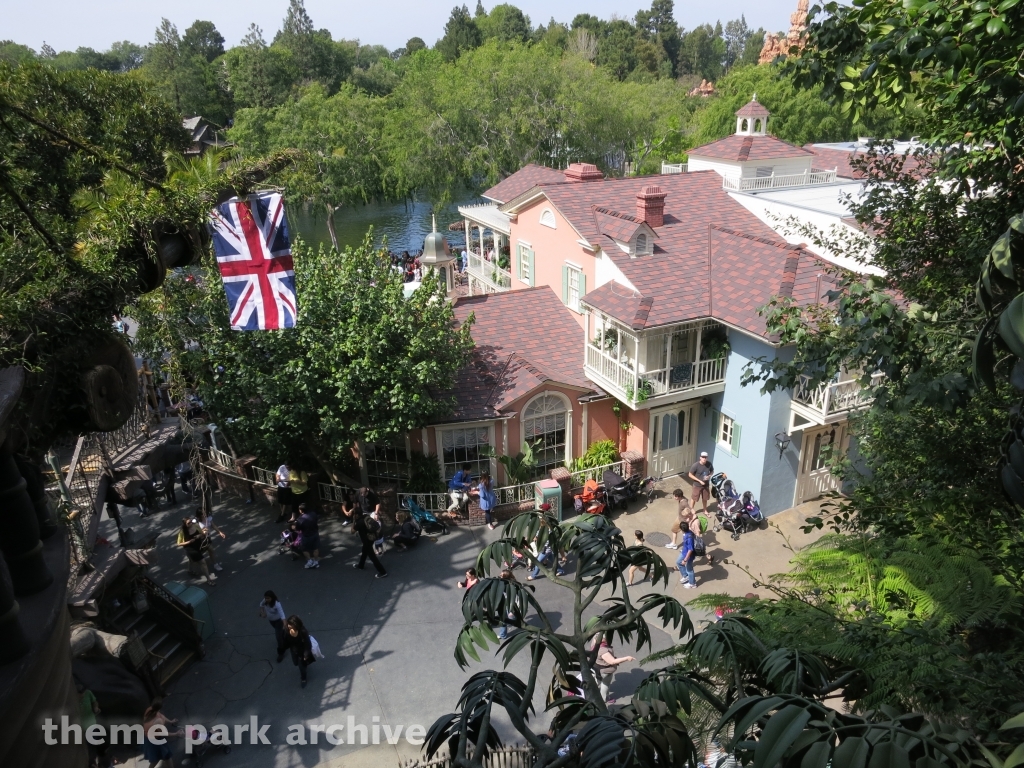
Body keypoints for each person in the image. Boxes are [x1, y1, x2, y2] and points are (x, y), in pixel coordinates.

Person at [592, 634, 635, 702]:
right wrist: (627, 658)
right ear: (602, 639)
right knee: (605, 685)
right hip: (605, 671)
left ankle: (586, 692)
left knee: (596, 682)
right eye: (607, 638)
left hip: (597, 668)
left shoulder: (595, 642)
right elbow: (612, 661)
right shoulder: (603, 651)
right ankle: (604, 698)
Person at [142, 699, 182, 768]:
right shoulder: (157, 721)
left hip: (149, 738)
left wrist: (171, 721)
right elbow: (164, 733)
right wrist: (176, 733)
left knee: (165, 756)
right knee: (162, 757)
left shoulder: (150, 710)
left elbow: (161, 716)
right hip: (155, 742)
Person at [77, 679, 108, 767]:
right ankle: (92, 763)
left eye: (83, 692)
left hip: (92, 725)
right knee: (90, 748)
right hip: (82, 729)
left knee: (96, 744)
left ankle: (100, 762)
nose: (82, 694)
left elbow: (94, 701)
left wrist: (95, 707)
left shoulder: (88, 693)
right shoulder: (73, 699)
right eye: (80, 693)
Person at [176, 517, 215, 584]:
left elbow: (201, 533)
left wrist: (199, 535)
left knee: (193, 559)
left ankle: (189, 570)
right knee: (203, 562)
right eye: (188, 523)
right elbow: (179, 543)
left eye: (191, 521)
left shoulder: (195, 525)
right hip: (190, 548)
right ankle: (209, 580)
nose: (191, 523)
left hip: (198, 544)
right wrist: (189, 542)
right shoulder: (182, 531)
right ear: (185, 524)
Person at [352, 508, 388, 578]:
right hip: (370, 539)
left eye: (353, 515)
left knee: (372, 557)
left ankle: (383, 572)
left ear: (356, 515)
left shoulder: (359, 522)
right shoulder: (366, 516)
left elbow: (352, 531)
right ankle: (361, 565)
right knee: (364, 551)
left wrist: (353, 521)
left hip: (366, 541)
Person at [283, 615, 315, 688]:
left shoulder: (302, 631)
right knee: (295, 663)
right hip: (294, 651)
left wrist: (306, 655)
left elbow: (308, 644)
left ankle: (303, 678)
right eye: (288, 624)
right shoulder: (287, 631)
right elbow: (286, 643)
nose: (288, 626)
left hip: (302, 652)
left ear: (295, 624)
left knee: (301, 666)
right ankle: (304, 665)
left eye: (290, 625)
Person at [259, 591, 287, 662]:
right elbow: (261, 605)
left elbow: (282, 614)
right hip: (271, 621)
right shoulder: (265, 601)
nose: (266, 600)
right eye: (265, 598)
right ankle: (284, 634)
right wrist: (262, 613)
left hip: (278, 622)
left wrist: (284, 624)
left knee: (278, 637)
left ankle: (281, 653)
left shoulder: (277, 604)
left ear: (272, 598)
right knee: (280, 633)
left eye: (268, 598)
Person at [194, 507, 225, 573]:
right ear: (199, 515)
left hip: (207, 538)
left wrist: (220, 532)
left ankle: (215, 564)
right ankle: (193, 563)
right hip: (200, 540)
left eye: (205, 513)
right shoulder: (196, 522)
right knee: (200, 553)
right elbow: (195, 532)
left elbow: (213, 525)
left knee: (211, 550)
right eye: (202, 514)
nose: (204, 515)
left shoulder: (208, 518)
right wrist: (203, 532)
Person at [296, 504, 320, 569]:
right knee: (315, 549)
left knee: (304, 549)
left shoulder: (300, 519)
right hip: (315, 534)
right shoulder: (313, 514)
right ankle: (316, 561)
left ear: (301, 510)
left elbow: (298, 529)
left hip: (306, 536)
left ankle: (309, 561)